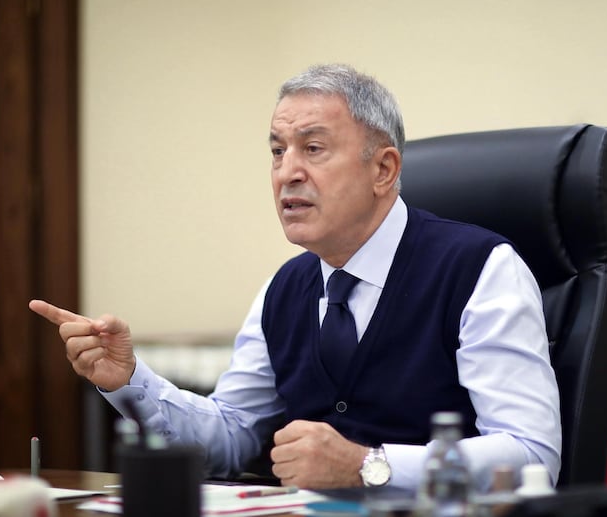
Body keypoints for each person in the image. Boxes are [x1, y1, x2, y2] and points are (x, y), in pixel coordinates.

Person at [29, 63, 561, 491]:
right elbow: (234, 434)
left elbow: (532, 453)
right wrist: (129, 380)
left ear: (383, 169)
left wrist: (367, 466)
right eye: (277, 151)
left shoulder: (481, 269)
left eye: (313, 148)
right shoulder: (284, 289)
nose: (287, 172)